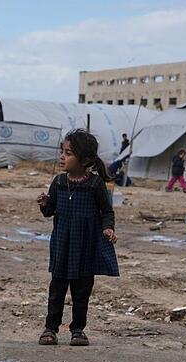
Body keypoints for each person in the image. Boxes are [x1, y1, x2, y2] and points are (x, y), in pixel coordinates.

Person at [37, 129, 118, 347]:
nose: (62, 157)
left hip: (85, 247)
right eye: (62, 152)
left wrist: (108, 229)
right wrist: (44, 204)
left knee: (81, 291)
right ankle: (51, 328)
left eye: (68, 153)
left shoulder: (94, 185)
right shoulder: (59, 182)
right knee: (57, 290)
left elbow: (107, 212)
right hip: (62, 245)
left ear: (85, 160)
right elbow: (50, 211)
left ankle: (78, 330)